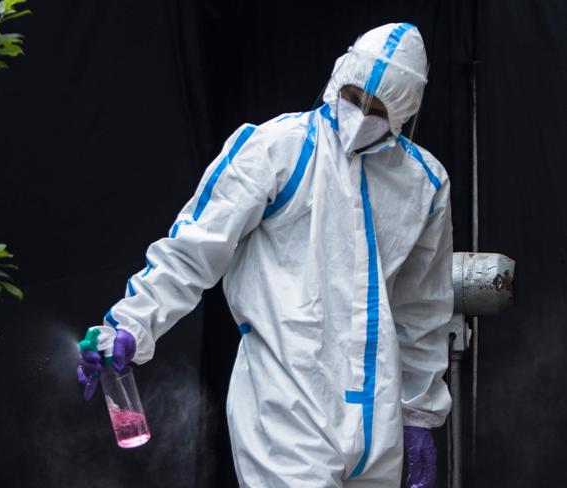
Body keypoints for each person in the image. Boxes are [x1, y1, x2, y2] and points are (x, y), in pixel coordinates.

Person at [78, 22, 453, 488]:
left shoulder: (424, 184)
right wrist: (132, 323)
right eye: (355, 97)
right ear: (340, 76)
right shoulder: (277, 148)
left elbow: (423, 309)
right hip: (285, 411)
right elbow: (194, 248)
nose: (360, 116)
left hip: (378, 423)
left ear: (405, 111)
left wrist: (419, 414)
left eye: (378, 109)